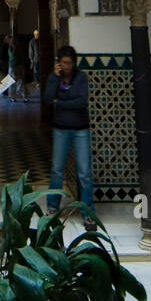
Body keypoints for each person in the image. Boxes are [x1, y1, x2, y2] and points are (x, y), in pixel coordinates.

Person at [42, 44, 96, 230]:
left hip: (80, 128)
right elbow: (48, 99)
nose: (66, 66)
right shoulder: (53, 78)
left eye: (69, 63)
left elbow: (81, 101)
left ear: (74, 63)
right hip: (60, 128)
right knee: (57, 170)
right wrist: (55, 79)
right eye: (63, 62)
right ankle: (52, 206)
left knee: (84, 173)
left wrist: (61, 101)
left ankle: (88, 212)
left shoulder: (81, 77)